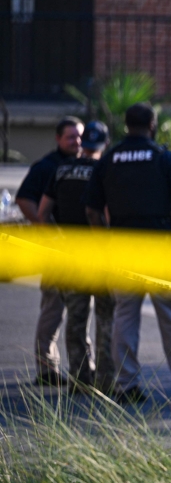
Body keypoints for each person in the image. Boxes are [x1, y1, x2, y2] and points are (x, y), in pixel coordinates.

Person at [84, 103, 171, 404]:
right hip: (161, 248)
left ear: (126, 126)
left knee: (124, 317)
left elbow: (91, 210)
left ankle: (126, 385)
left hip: (122, 248)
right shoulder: (164, 158)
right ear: (152, 125)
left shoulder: (109, 159)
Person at [37, 121, 116, 393]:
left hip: (69, 257)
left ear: (84, 143)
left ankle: (79, 379)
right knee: (106, 319)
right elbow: (105, 214)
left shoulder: (61, 170)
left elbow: (42, 214)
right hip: (100, 258)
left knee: (75, 320)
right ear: (106, 143)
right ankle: (105, 380)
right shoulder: (105, 171)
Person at [16, 116, 83, 386]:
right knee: (53, 310)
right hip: (56, 251)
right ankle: (47, 369)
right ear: (57, 139)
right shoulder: (46, 167)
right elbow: (24, 199)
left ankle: (82, 369)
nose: (77, 141)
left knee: (79, 312)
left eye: (79, 136)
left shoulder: (84, 164)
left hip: (81, 250)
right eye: (71, 137)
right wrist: (46, 230)